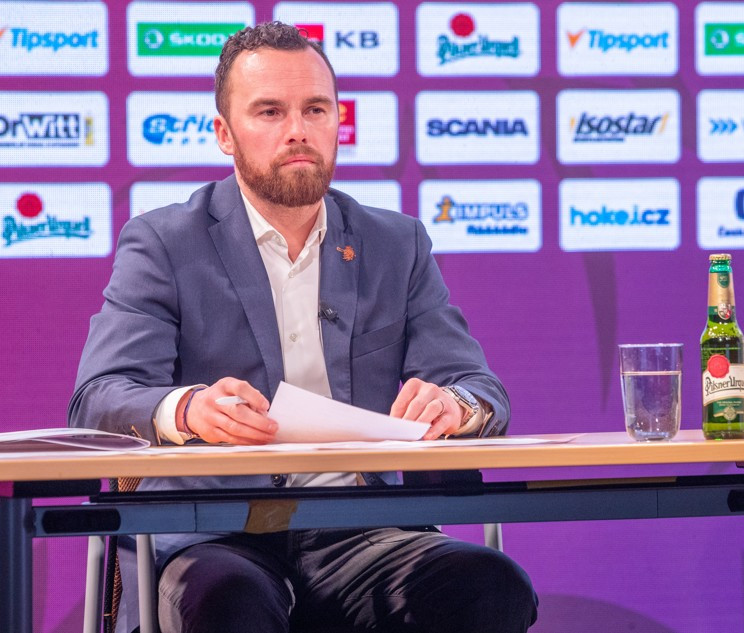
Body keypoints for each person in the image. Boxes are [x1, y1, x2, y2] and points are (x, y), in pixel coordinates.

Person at [69, 21, 537, 633]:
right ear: (224, 134)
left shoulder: (396, 244)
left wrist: (456, 405)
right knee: (229, 601)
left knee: (489, 586)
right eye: (270, 111)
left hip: (359, 530)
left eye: (316, 109)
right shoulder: (164, 243)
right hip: (214, 532)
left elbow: (480, 387)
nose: (298, 130)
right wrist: (186, 410)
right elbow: (98, 397)